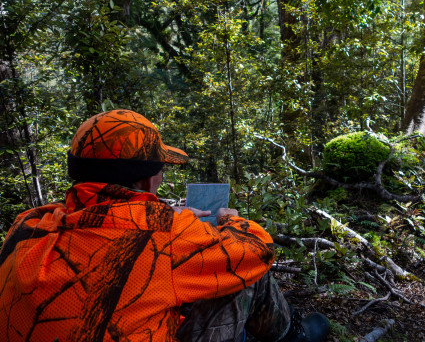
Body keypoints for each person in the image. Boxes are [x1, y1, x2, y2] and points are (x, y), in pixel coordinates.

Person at [0, 109, 329, 342]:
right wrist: (228, 219)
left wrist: (163, 213)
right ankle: (295, 336)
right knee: (240, 279)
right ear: (147, 179)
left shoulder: (28, 226)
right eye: (161, 170)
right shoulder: (166, 234)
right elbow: (260, 250)